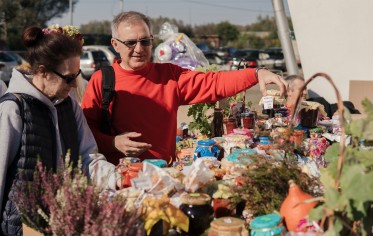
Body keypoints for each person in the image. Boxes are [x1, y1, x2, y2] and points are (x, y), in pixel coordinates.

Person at [81, 11, 288, 165]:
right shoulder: (102, 80)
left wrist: (256, 73)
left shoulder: (169, 76)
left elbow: (213, 82)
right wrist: (113, 143)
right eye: (130, 43)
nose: (139, 49)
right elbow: (85, 132)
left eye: (145, 41)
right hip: (120, 179)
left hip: (164, 176)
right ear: (115, 44)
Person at [0, 25, 118, 235]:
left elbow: (88, 158)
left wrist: (117, 178)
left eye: (77, 75)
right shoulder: (12, 108)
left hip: (64, 224)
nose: (75, 85)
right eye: (68, 77)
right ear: (43, 71)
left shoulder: (69, 106)